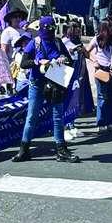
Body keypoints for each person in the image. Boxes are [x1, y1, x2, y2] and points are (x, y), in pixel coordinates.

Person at [11, 16, 79, 163]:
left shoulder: (58, 42)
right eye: (47, 29)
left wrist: (63, 58)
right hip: (37, 83)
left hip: (55, 82)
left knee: (57, 116)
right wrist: (37, 62)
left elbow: (69, 60)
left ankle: (61, 150)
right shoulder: (35, 43)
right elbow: (24, 63)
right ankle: (24, 150)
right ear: (41, 28)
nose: (50, 32)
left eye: (52, 29)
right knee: (32, 116)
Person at [86, 20, 112, 133]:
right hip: (100, 69)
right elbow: (86, 51)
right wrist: (94, 60)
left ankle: (111, 123)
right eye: (109, 28)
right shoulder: (96, 39)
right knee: (102, 97)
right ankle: (101, 123)